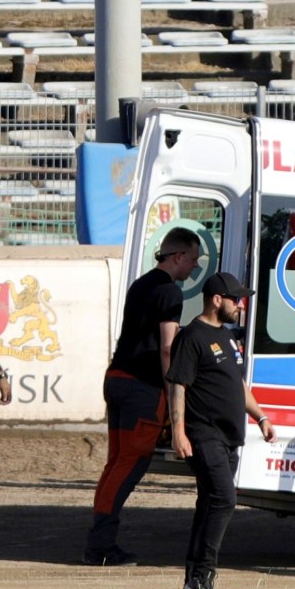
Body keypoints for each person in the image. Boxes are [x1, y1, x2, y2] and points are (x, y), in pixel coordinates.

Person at [84, 227, 202, 566]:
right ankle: (100, 546)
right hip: (142, 389)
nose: (194, 267)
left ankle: (99, 541)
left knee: (116, 465)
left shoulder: (141, 284)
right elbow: (167, 349)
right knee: (128, 466)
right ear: (178, 256)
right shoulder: (170, 292)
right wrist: (174, 393)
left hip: (117, 378)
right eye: (193, 259)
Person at [167, 272, 276, 589]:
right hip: (203, 434)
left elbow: (237, 386)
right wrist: (178, 432)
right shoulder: (192, 337)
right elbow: (178, 385)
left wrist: (261, 417)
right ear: (217, 300)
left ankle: (194, 580)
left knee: (209, 503)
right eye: (235, 299)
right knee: (225, 499)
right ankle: (205, 573)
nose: (240, 304)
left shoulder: (227, 337)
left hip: (229, 437)